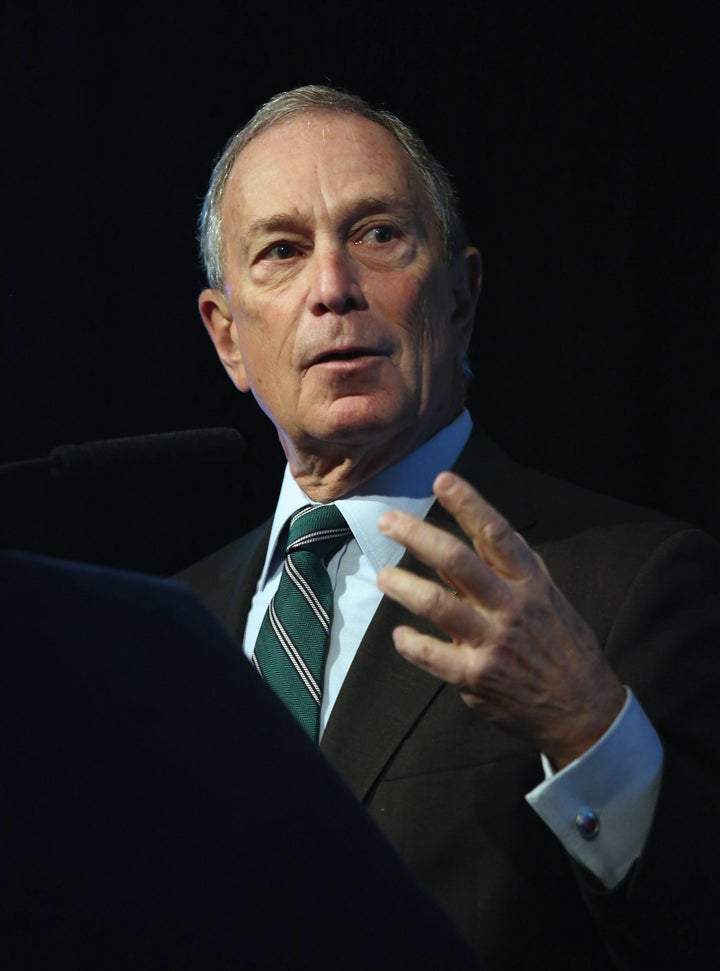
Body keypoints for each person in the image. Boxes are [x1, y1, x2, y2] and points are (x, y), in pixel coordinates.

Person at [176, 84, 720, 969]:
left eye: (379, 234)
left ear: (462, 297)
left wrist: (587, 727)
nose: (333, 288)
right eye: (281, 249)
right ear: (228, 336)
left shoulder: (625, 585)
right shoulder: (169, 624)